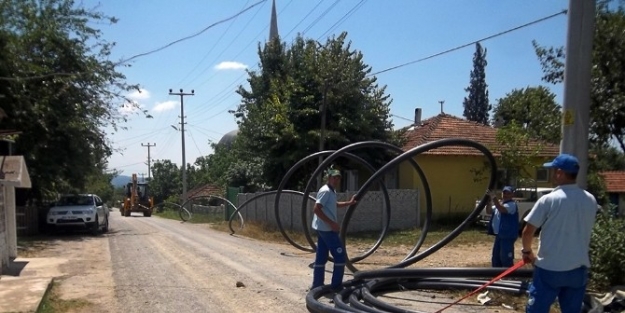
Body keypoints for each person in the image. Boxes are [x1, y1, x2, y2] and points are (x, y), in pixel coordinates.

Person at [521, 154, 598, 313]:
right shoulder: (590, 199)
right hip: (578, 269)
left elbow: (528, 231)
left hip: (550, 268)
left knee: (537, 309)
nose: (551, 174)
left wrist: (527, 252)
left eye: (553, 170)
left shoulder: (549, 200)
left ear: (560, 173)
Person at [310, 167, 357, 292]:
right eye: (333, 178)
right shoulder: (325, 191)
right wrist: (332, 223)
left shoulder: (331, 191)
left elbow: (333, 205)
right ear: (329, 178)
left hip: (322, 229)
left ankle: (317, 286)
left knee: (321, 257)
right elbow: (316, 209)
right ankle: (336, 286)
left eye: (338, 178)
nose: (336, 180)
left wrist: (348, 203)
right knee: (340, 256)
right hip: (327, 230)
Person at [486, 185, 519, 267]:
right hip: (499, 235)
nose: (506, 195)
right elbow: (489, 211)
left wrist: (494, 197)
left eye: (508, 193)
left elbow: (502, 209)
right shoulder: (500, 204)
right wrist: (488, 201)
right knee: (496, 257)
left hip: (507, 235)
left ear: (512, 195)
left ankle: (509, 277)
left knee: (505, 258)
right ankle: (497, 276)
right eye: (504, 193)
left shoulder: (511, 205)